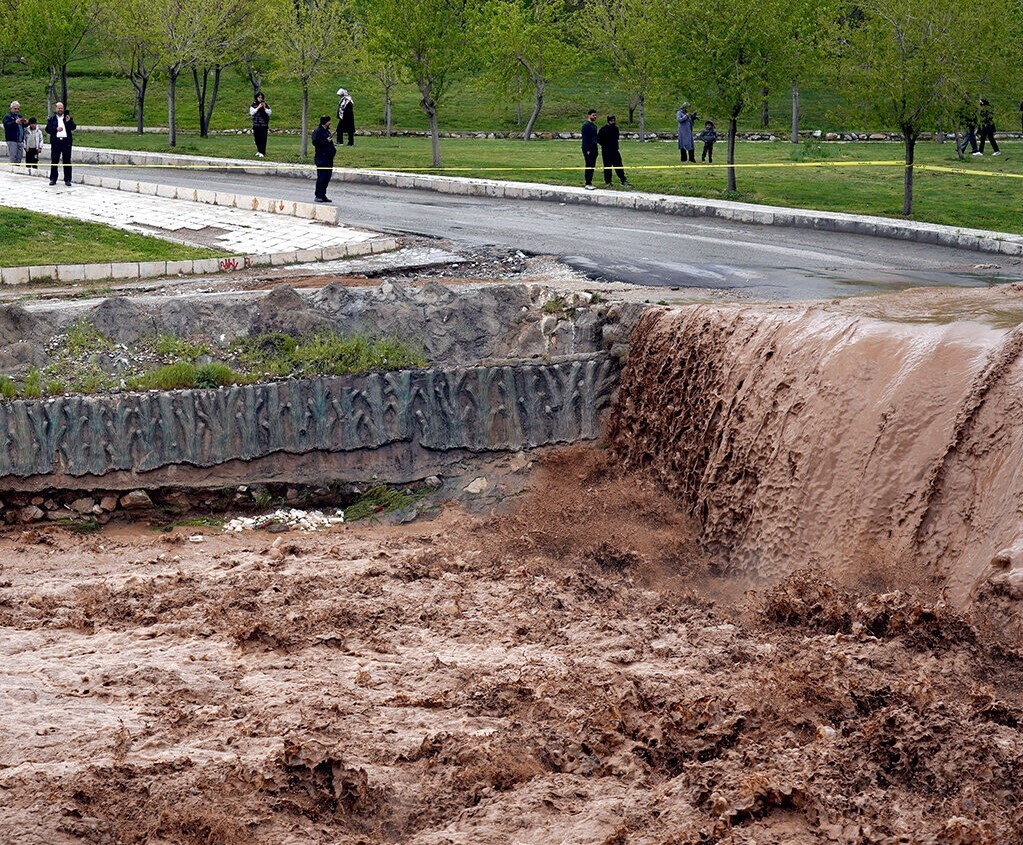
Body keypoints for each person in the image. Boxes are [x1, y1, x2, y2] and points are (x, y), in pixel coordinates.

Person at [45, 102, 76, 186]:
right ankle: (53, 179)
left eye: (61, 108)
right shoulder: (52, 119)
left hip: (66, 142)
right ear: (56, 109)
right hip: (56, 142)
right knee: (54, 160)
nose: (60, 110)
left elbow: (73, 127)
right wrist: (56, 129)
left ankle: (68, 179)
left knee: (67, 161)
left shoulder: (67, 118)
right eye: (59, 108)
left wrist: (69, 122)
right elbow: (47, 129)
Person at [596, 114, 630, 188]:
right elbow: (598, 140)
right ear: (608, 121)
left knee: (619, 165)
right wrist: (605, 145)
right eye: (612, 121)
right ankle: (608, 181)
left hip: (615, 150)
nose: (613, 122)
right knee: (607, 167)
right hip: (606, 151)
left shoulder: (616, 129)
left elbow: (616, 138)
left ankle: (623, 180)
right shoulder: (603, 129)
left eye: (614, 120)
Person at [311, 114, 336, 203]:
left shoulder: (327, 131)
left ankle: (323, 194)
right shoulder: (318, 131)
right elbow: (315, 142)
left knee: (327, 178)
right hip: (321, 158)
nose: (331, 123)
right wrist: (326, 141)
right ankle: (318, 195)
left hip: (328, 158)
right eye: (329, 121)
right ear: (325, 122)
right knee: (322, 177)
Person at [249, 91, 271, 158]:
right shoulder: (253, 104)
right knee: (257, 139)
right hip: (256, 125)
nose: (260, 99)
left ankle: (262, 152)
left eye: (261, 97)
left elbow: (269, 113)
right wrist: (258, 107)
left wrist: (264, 108)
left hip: (264, 125)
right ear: (256, 98)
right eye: (259, 97)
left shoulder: (265, 104)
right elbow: (252, 113)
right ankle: (259, 150)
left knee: (263, 139)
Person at [581, 108, 598, 190]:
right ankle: (587, 183)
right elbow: (585, 138)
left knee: (592, 165)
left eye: (595, 115)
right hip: (588, 149)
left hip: (594, 148)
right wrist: (587, 149)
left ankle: (590, 181)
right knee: (589, 164)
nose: (595, 117)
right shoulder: (586, 125)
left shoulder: (594, 126)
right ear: (589, 115)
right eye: (593, 115)